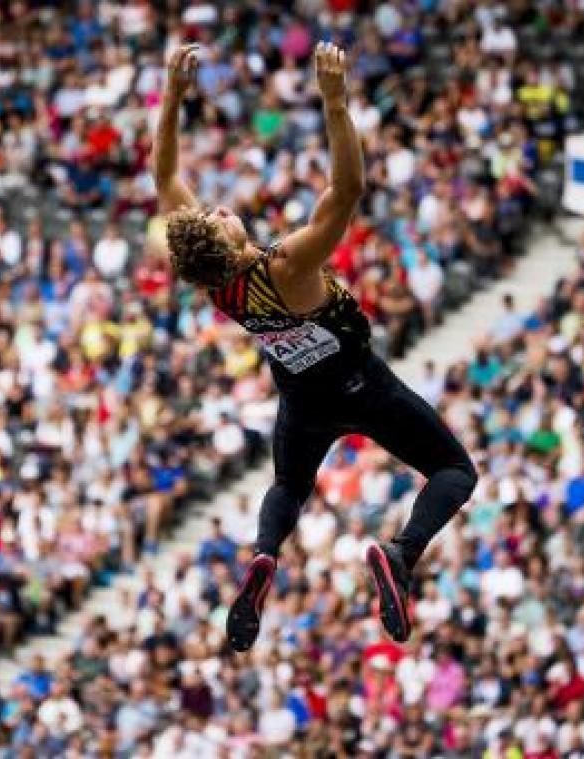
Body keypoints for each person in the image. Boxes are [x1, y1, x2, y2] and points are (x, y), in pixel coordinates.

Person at [154, 42, 477, 651]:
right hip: (363, 386)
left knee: (288, 487)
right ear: (228, 242)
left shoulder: (219, 285)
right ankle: (401, 553)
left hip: (300, 400)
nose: (223, 209)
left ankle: (265, 555)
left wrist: (172, 98)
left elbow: (167, 178)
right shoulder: (286, 267)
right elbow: (348, 188)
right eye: (221, 217)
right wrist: (336, 103)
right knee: (454, 470)